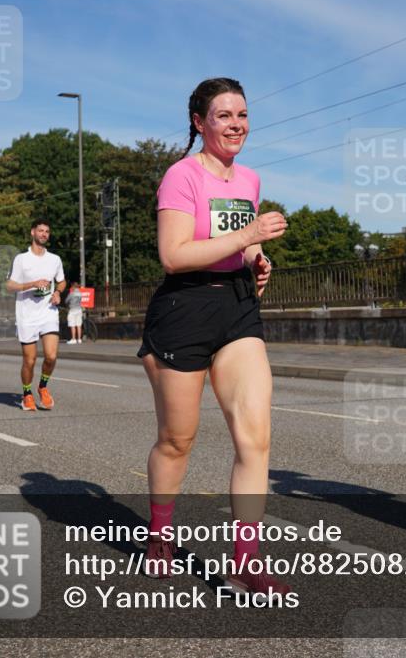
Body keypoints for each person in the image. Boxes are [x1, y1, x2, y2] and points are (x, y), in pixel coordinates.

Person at [138, 77, 287, 594]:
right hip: (184, 308)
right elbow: (174, 254)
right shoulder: (181, 176)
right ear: (200, 123)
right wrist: (248, 236)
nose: (236, 124)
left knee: (255, 438)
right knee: (177, 440)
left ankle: (245, 561)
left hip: (238, 308)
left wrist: (255, 259)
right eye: (224, 115)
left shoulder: (248, 179)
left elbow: (233, 244)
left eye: (242, 114)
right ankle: (160, 537)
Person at [5, 219, 66, 411]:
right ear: (33, 232)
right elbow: (10, 286)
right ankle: (26, 394)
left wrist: (57, 293)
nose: (44, 234)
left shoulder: (55, 259)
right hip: (27, 316)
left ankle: (42, 387)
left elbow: (62, 282)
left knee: (51, 355)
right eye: (41, 230)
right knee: (29, 360)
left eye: (47, 231)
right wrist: (32, 284)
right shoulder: (21, 259)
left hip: (48, 313)